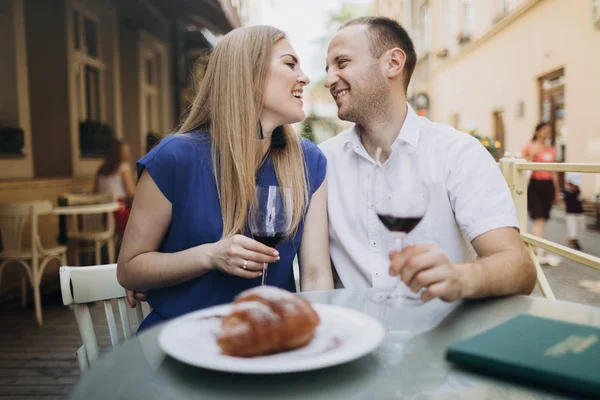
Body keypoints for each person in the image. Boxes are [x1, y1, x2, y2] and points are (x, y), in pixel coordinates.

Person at [117, 26, 333, 331]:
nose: (305, 77)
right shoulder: (175, 157)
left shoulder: (310, 162)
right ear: (249, 74)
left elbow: (314, 273)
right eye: (290, 63)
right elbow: (129, 270)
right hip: (180, 340)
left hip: (270, 342)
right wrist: (210, 255)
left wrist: (316, 340)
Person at [320, 16, 536, 302]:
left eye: (342, 63)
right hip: (355, 336)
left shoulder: (458, 153)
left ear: (393, 63)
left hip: (440, 332)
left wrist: (460, 278)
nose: (327, 80)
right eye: (327, 68)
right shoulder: (323, 161)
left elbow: (520, 267)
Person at [522, 121, 561, 266]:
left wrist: (557, 192)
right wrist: (531, 155)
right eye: (544, 130)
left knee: (543, 218)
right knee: (538, 217)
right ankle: (538, 249)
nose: (546, 133)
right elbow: (523, 166)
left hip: (548, 185)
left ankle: (536, 248)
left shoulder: (551, 150)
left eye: (549, 130)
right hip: (534, 184)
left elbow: (554, 171)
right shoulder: (529, 147)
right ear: (537, 131)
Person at [94, 139, 136, 236]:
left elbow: (95, 192)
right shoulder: (124, 167)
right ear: (120, 153)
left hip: (103, 212)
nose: (128, 154)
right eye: (125, 151)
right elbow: (131, 192)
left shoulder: (101, 169)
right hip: (118, 209)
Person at [562, 172, 585, 250]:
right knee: (572, 228)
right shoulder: (566, 192)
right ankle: (573, 242)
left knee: (580, 228)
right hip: (570, 213)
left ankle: (575, 240)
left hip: (579, 213)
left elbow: (580, 200)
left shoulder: (578, 191)